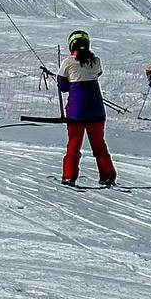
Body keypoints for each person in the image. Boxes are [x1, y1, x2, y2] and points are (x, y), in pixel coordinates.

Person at [56, 29, 116, 188]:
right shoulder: (96, 61)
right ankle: (108, 175)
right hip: (96, 110)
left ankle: (69, 176)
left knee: (74, 145)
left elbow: (62, 86)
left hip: (76, 112)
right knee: (99, 145)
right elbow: (97, 73)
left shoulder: (68, 63)